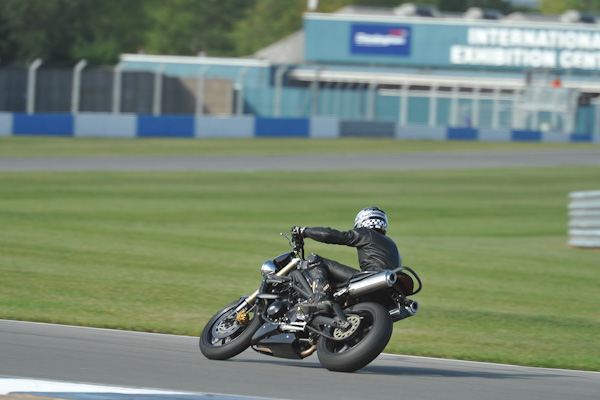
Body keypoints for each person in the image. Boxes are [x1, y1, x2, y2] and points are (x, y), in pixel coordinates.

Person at [291, 206, 401, 313]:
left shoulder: (367, 233)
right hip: (387, 290)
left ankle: (320, 298)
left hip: (370, 277)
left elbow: (331, 235)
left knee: (314, 259)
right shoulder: (392, 244)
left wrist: (304, 231)